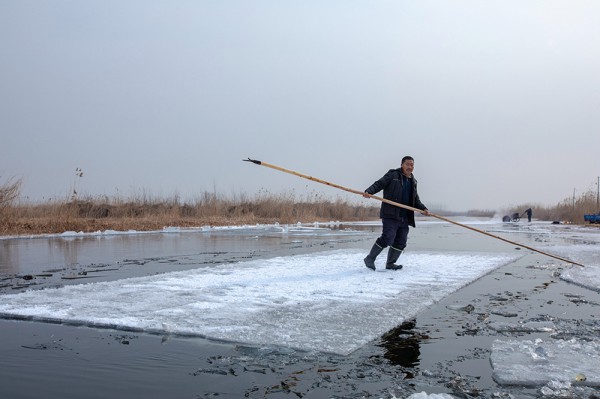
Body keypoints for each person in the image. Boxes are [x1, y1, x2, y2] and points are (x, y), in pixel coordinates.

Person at [362, 156, 429, 271]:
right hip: (391, 214)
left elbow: (415, 199)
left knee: (401, 241)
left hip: (405, 217)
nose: (410, 167)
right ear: (402, 164)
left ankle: (390, 263)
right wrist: (369, 191)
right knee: (388, 238)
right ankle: (370, 259)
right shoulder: (393, 175)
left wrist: (423, 209)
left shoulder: (413, 181)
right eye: (407, 164)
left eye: (412, 165)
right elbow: (379, 184)